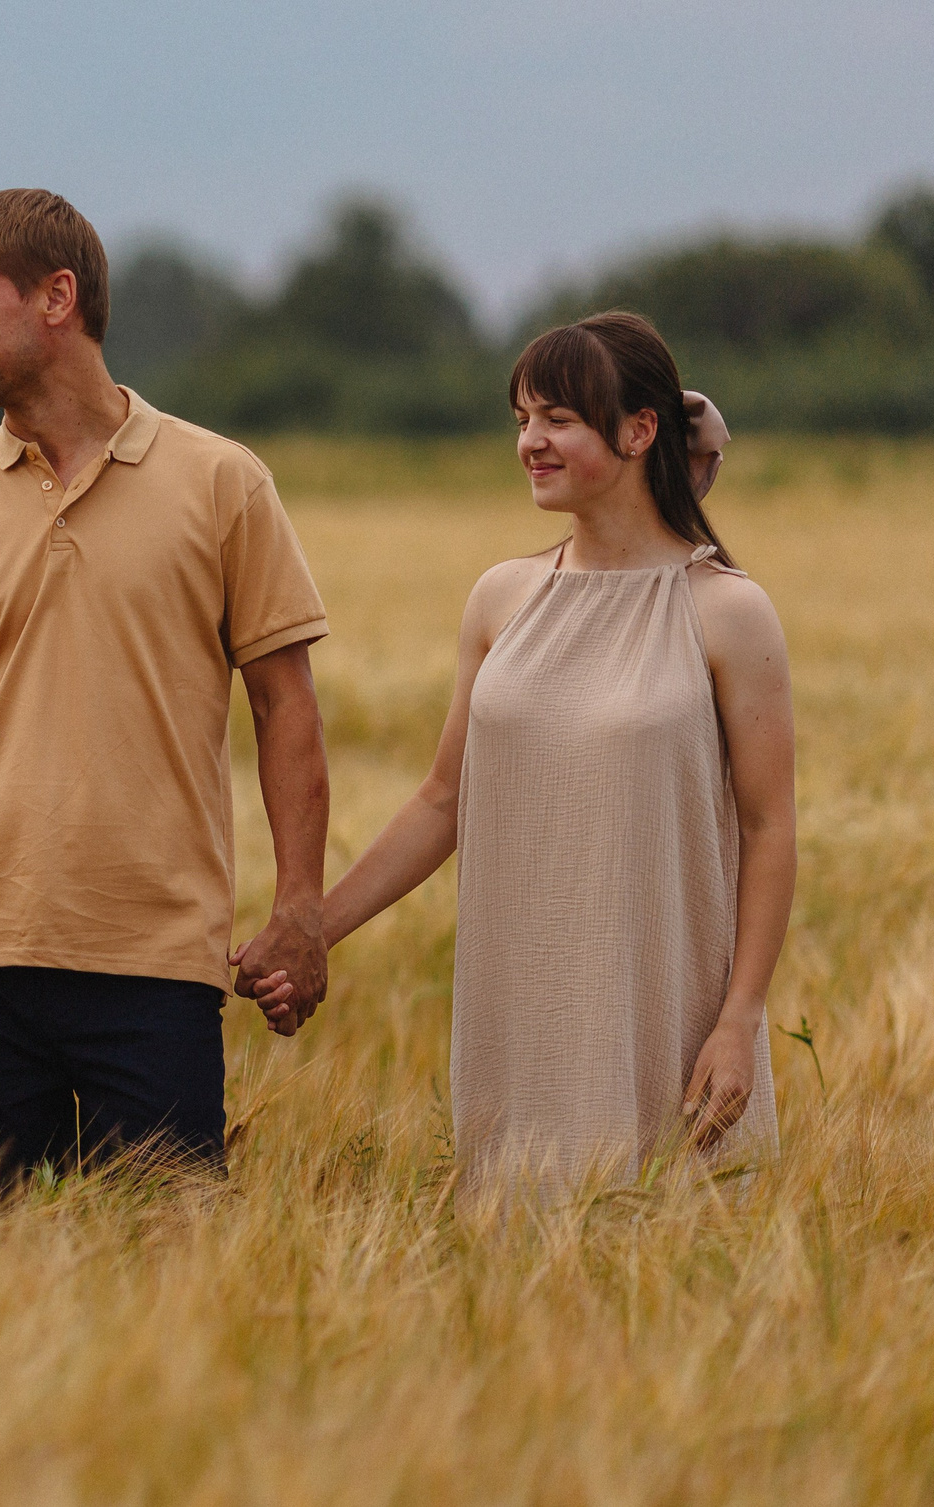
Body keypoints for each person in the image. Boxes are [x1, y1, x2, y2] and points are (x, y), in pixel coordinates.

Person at [0, 189, 332, 1184]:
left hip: (154, 960)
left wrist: (299, 907)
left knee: (170, 1277)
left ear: (55, 298)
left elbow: (285, 706)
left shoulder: (222, 483)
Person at [261, 314, 791, 1196]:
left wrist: (740, 1018)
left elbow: (772, 829)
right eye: (521, 419)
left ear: (638, 431)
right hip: (523, 1015)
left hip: (661, 1019)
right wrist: (314, 927)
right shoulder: (502, 598)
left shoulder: (728, 612)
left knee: (670, 1281)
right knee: (519, 1263)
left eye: (556, 419)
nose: (529, 443)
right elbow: (442, 801)